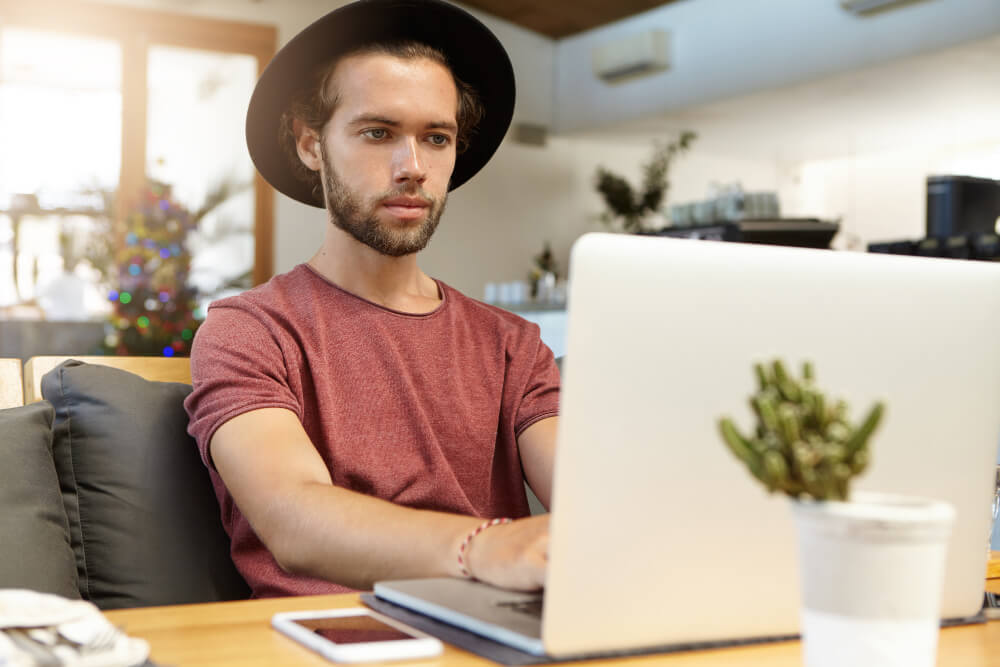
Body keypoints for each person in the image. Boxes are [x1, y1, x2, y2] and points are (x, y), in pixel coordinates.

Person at [183, 0, 561, 599]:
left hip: (491, 634)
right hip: (323, 641)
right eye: (378, 133)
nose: (412, 167)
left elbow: (592, 497)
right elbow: (294, 518)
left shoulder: (513, 345)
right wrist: (482, 546)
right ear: (312, 145)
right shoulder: (250, 331)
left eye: (436, 138)